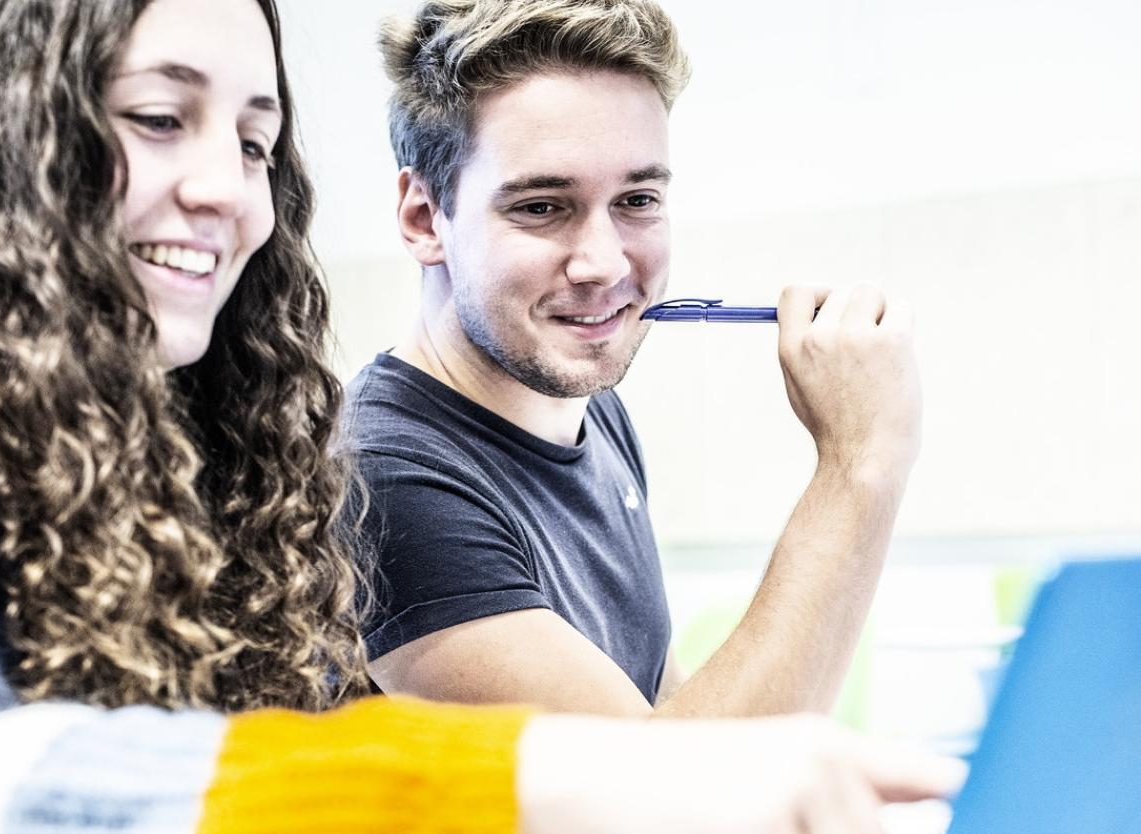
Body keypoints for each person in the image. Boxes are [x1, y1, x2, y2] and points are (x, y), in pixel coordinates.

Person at [0, 0, 955, 832]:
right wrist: (533, 775)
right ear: (14, 138)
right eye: (160, 118)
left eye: (256, 139)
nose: (227, 187)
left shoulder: (226, 469)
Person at [349, 0, 923, 718]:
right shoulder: (379, 478)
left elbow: (657, 704)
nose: (604, 263)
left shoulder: (593, 413)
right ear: (423, 216)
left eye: (638, 199)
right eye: (541, 207)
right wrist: (860, 464)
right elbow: (673, 801)